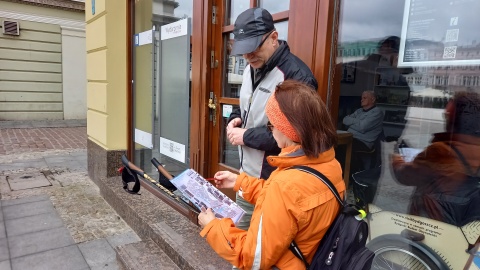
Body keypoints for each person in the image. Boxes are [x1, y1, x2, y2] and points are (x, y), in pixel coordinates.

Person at [199, 80, 344, 269]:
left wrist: (212, 227)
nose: (271, 129)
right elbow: (291, 204)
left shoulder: (286, 183)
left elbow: (251, 259)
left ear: (287, 130)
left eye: (271, 124)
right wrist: (239, 181)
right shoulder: (329, 164)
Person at [226, 7, 318, 230]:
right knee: (245, 242)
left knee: (258, 249)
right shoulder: (251, 67)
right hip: (247, 174)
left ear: (273, 38)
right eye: (243, 51)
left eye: (253, 48)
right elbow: (246, 104)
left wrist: (245, 136)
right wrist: (235, 118)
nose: (248, 56)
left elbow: (293, 135)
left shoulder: (297, 77)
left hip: (275, 181)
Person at [391, 91, 480, 226]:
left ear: (455, 119)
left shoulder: (441, 151)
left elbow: (406, 175)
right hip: (463, 227)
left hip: (432, 225)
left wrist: (397, 159)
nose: (445, 116)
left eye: (447, 115)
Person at [342, 90, 384, 172]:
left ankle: (351, 175)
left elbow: (363, 127)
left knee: (344, 148)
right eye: (361, 98)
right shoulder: (359, 111)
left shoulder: (377, 112)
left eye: (364, 98)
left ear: (373, 99)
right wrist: (358, 122)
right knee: (335, 146)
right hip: (351, 138)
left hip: (363, 142)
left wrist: (353, 122)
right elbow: (344, 120)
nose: (361, 100)